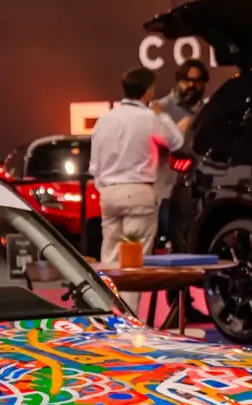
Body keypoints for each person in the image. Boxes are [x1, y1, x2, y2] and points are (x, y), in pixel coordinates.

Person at [89, 67, 188, 288]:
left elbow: (94, 166)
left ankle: (109, 306)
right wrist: (162, 114)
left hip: (109, 193)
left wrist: (104, 189)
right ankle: (129, 310)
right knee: (134, 263)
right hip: (139, 191)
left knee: (110, 258)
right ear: (148, 92)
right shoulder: (150, 118)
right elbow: (176, 143)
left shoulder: (104, 119)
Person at [156, 59, 210, 324]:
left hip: (200, 188)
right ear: (178, 81)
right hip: (168, 189)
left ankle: (186, 305)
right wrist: (176, 133)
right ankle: (176, 307)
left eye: (198, 81)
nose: (192, 85)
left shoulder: (208, 109)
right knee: (176, 248)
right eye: (187, 80)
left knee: (191, 248)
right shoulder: (160, 108)